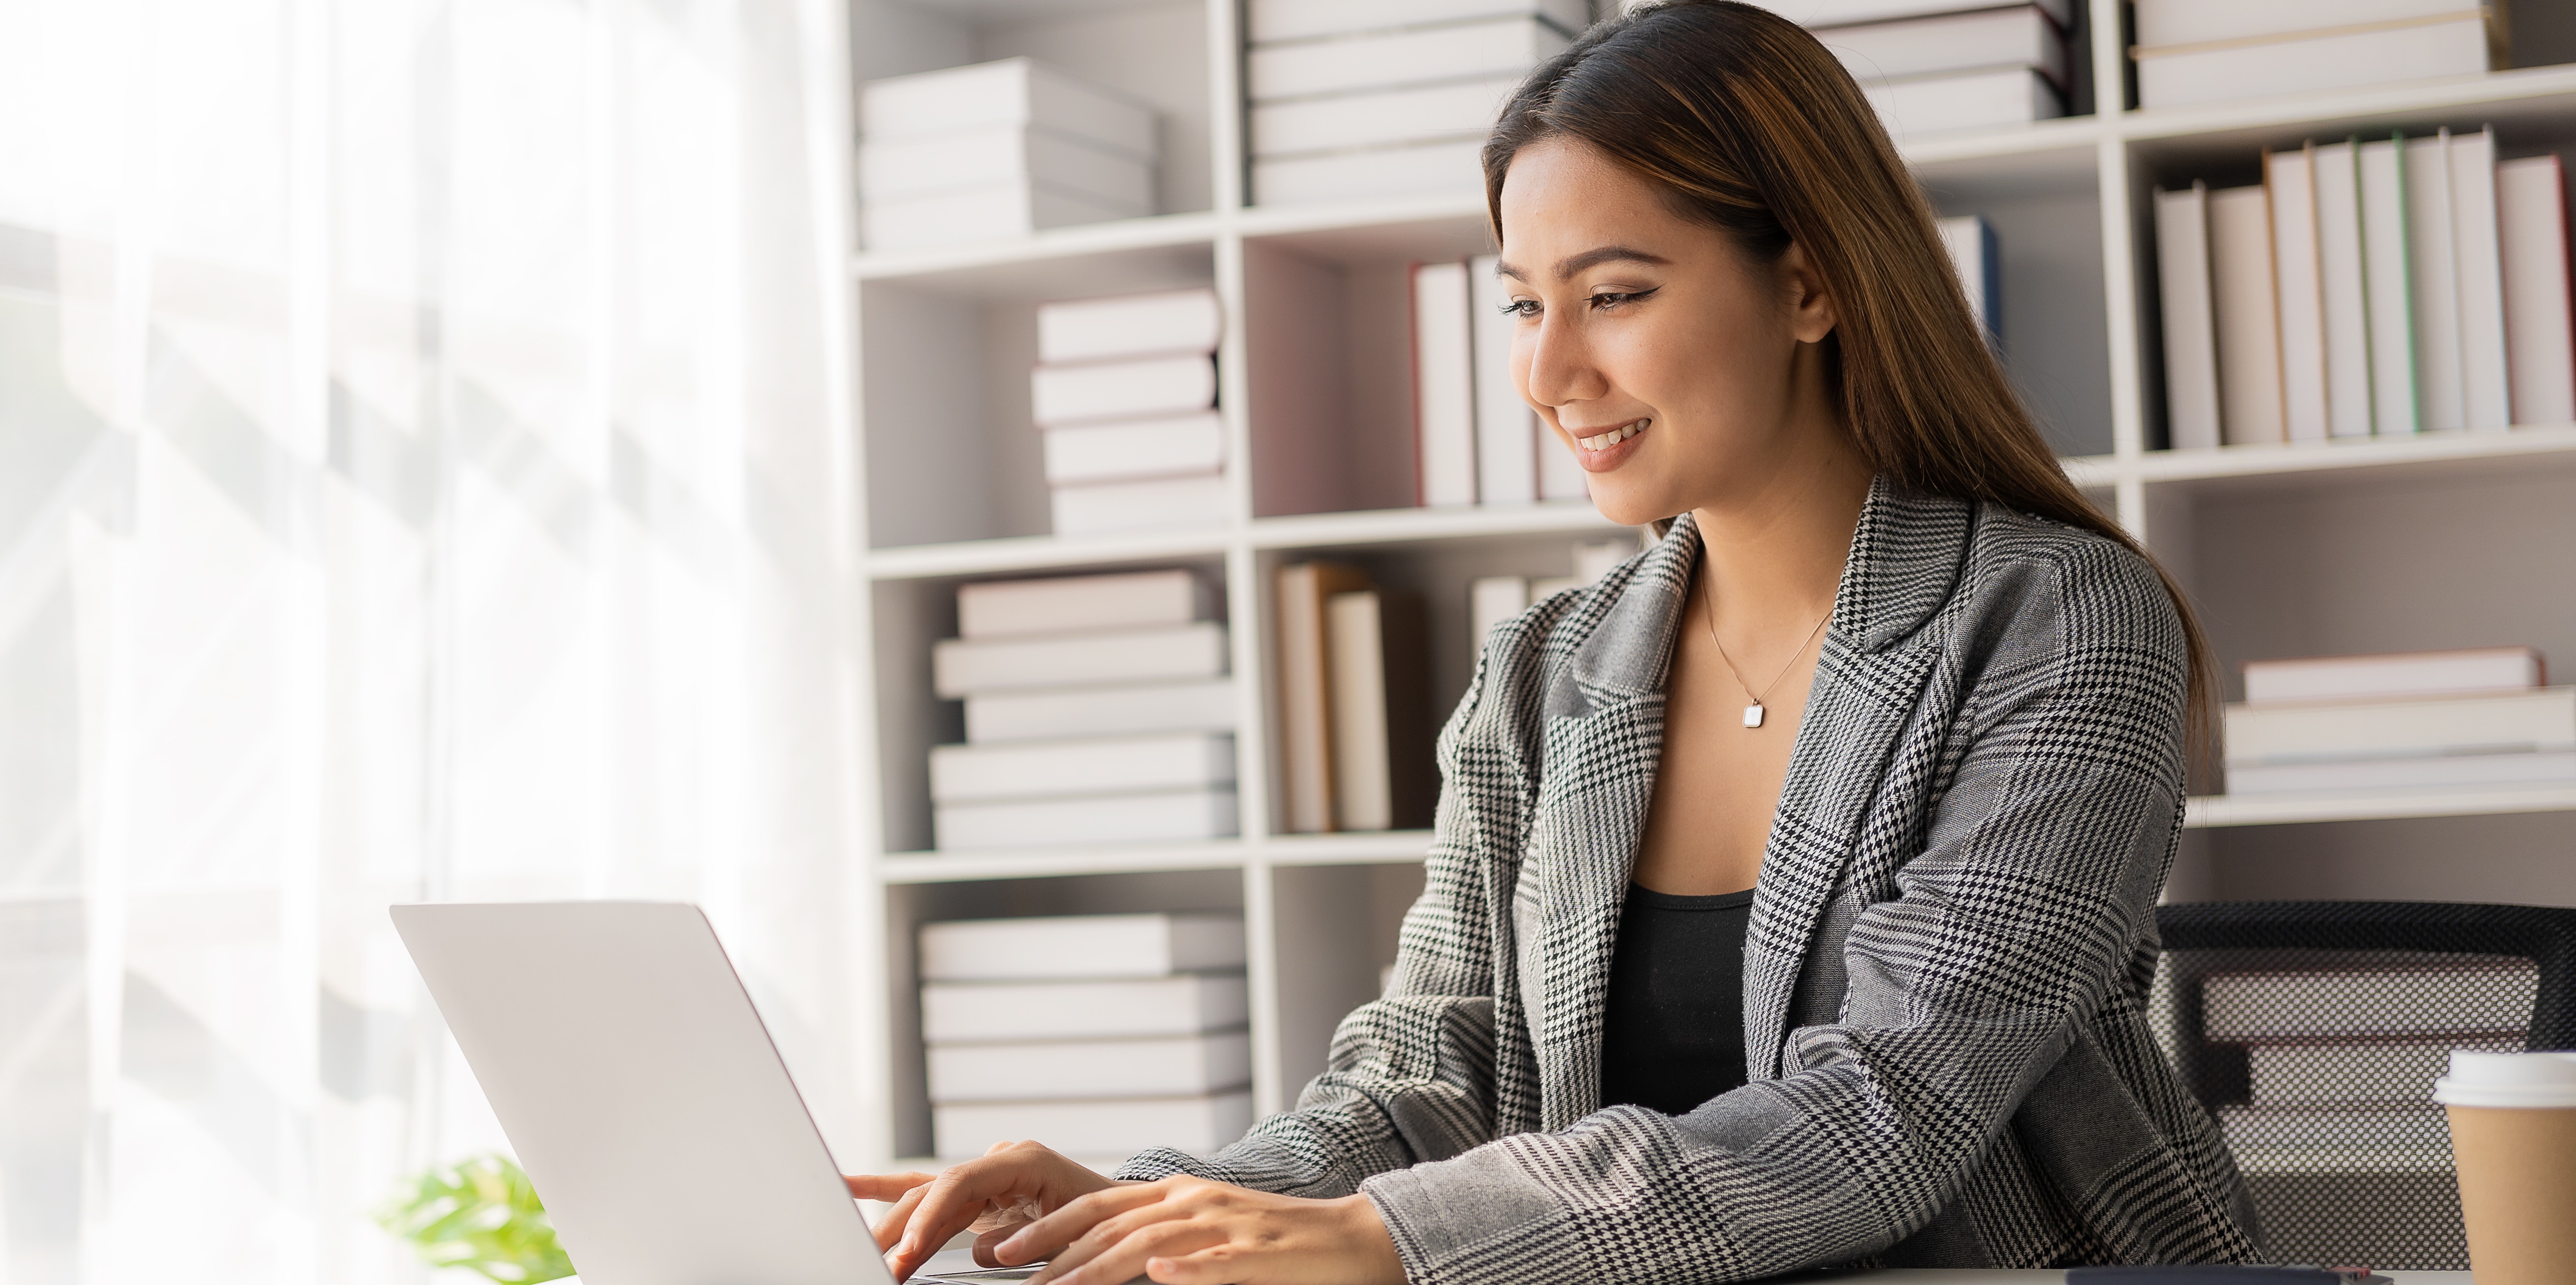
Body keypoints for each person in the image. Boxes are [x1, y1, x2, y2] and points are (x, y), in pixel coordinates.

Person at [850, 3, 2261, 1280]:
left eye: (1616, 294)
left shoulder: (2056, 620)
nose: (1546, 371)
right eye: (1526, 303)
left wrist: (1388, 1240)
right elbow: (1431, 1076)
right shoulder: (1542, 673)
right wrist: (1155, 1203)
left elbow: (1883, 1115)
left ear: (1810, 286)